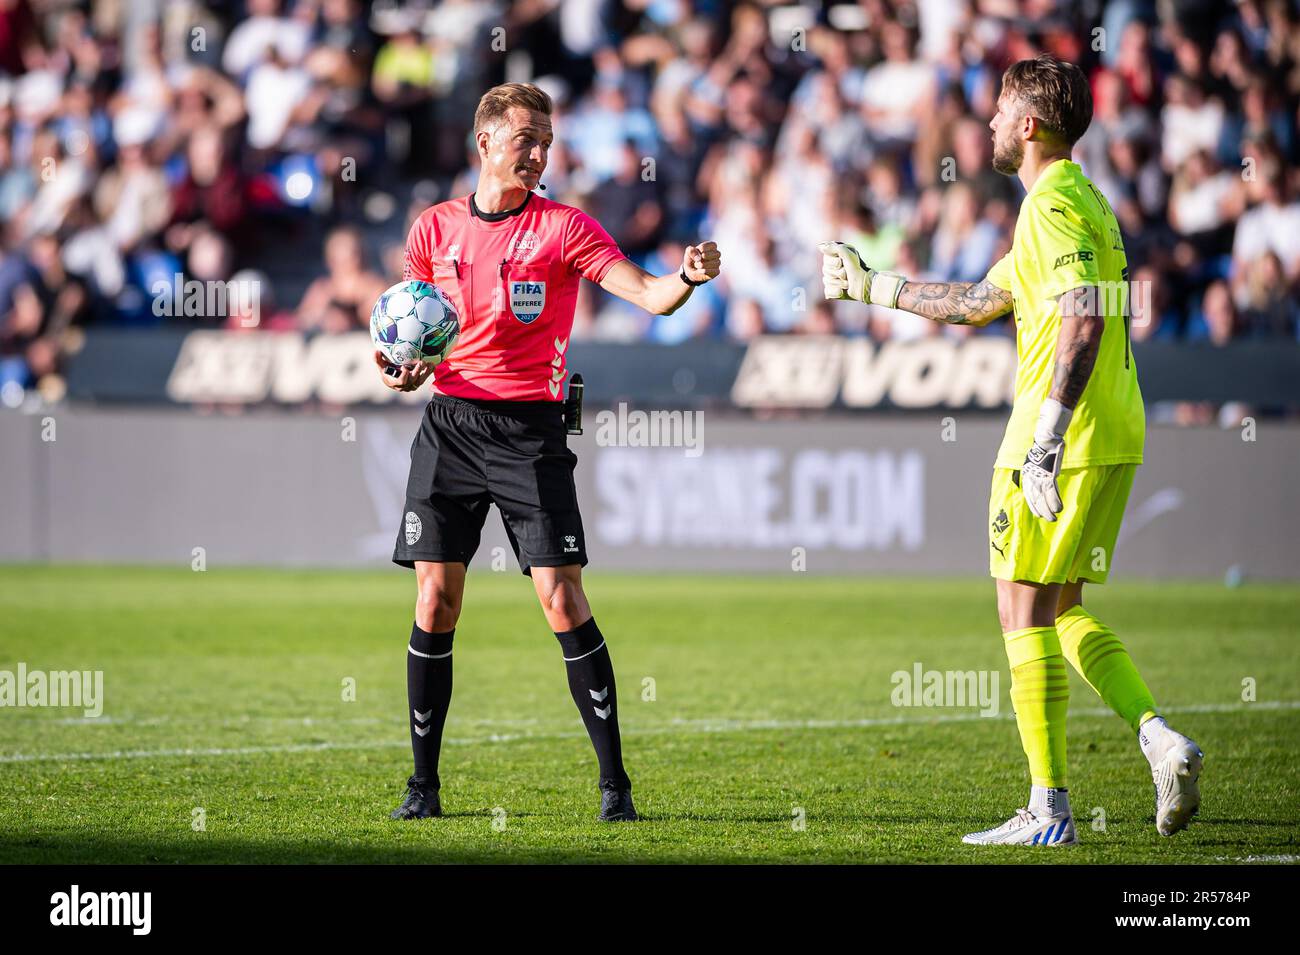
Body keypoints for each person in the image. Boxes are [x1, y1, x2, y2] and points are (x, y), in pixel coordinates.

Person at [819, 55, 1202, 846]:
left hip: (1059, 432)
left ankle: (1048, 808)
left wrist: (1046, 441)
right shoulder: (1081, 199)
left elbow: (1085, 316)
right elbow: (977, 301)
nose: (989, 123)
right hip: (1115, 428)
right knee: (1060, 607)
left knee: (1017, 607)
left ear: (1028, 125)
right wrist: (872, 287)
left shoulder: (1051, 206)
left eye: (999, 111)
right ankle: (1159, 738)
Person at [378, 82, 720, 822]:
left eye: (546, 141)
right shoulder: (432, 231)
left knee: (561, 599)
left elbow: (651, 296)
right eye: (525, 138)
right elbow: (416, 336)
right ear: (485, 143)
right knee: (435, 599)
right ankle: (422, 786)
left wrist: (686, 278)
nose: (538, 153)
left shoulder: (565, 228)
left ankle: (615, 786)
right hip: (449, 427)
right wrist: (405, 368)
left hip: (530, 435)